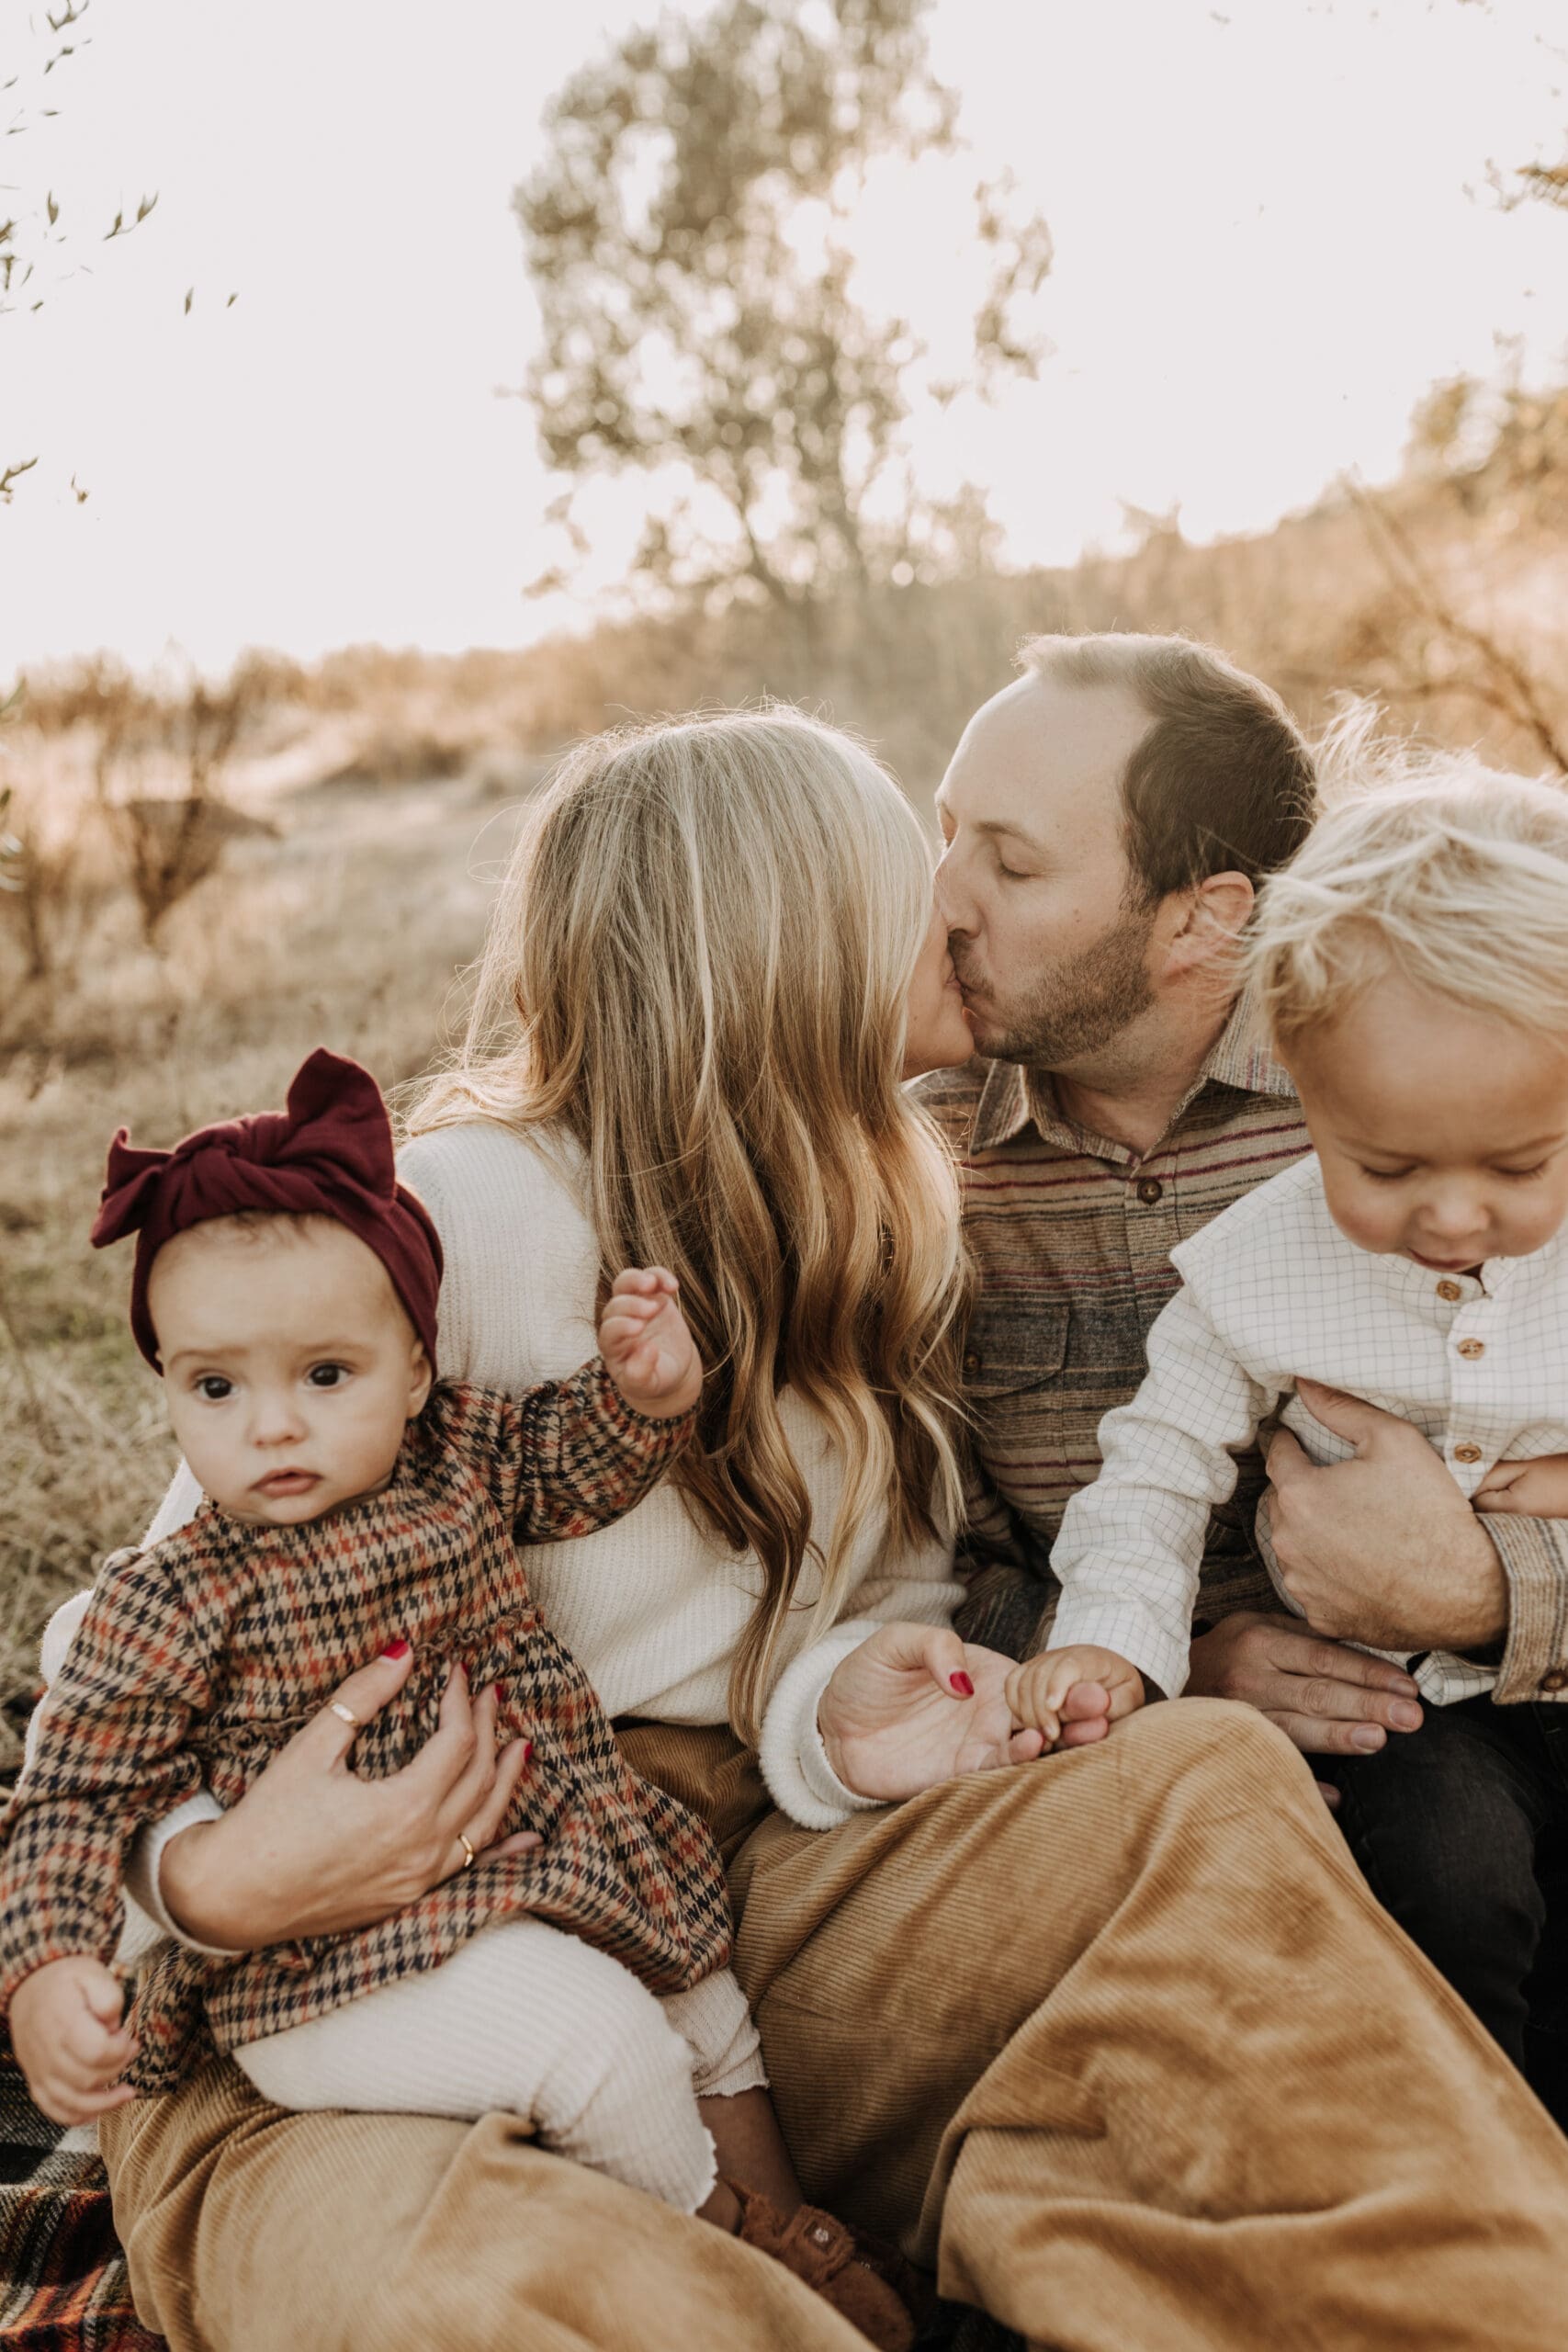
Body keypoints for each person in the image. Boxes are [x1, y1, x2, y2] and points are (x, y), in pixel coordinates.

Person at [43, 710, 1568, 2352]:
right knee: (483, 2286)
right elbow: (133, 1650)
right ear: (781, 942)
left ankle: (1459, 2295)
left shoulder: (870, 1223)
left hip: (704, 1896)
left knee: (1198, 1777)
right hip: (332, 1982)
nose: (959, 907)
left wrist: (830, 1709)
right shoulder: (463, 1221)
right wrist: (203, 1880)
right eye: (915, 873)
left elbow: (789, 1646)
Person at [10, 1046, 917, 2346]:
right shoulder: (171, 1599)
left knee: (705, 2001)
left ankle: (783, 2228)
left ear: (416, 1370)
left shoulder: (452, 1460)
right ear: (167, 1388)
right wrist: (45, 1969)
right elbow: (69, 1793)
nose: (272, 1427)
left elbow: (570, 1465)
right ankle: (726, 2251)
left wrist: (640, 1393)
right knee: (602, 2042)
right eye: (216, 1387)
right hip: (332, 1967)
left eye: (325, 1376)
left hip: (537, 1862)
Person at [1014, 760, 1568, 2111]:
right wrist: (1110, 1640)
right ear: (1299, 1100)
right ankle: (1482, 2148)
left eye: (1514, 1167)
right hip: (1402, 1705)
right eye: (1382, 1169)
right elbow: (1153, 1470)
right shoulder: (1253, 1271)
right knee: (1452, 1881)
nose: (1450, 1219)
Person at [918, 636, 1568, 1752]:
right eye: (946, 837)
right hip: (1152, 1768)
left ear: (1204, 917)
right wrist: (1164, 1666)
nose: (943, 903)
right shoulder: (920, 1167)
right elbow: (902, 1567)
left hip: (1479, 1712)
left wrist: (1498, 1592)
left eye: (1013, 866)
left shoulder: (1445, 1082)